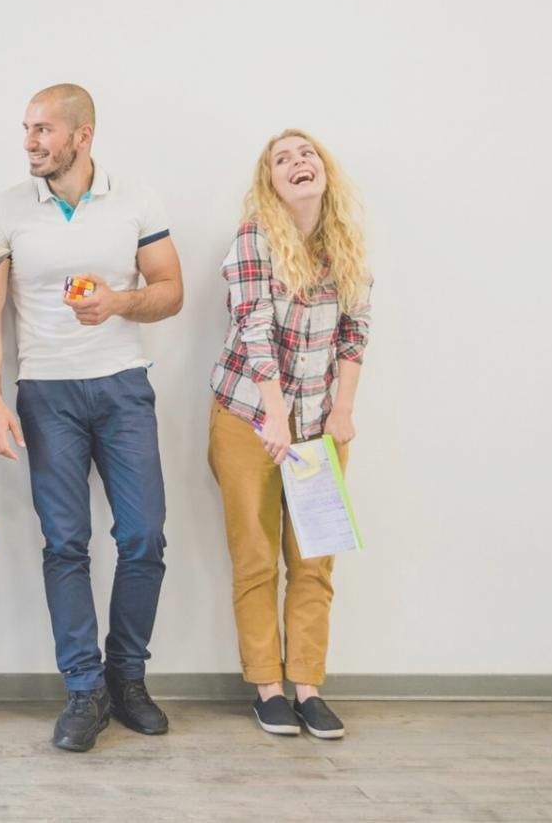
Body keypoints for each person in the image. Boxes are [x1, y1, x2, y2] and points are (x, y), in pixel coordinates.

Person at [0, 83, 183, 752]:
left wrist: (118, 302)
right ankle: (84, 689)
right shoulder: (6, 209)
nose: (29, 142)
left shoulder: (135, 198)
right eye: (26, 129)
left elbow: (170, 290)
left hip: (122, 388)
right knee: (65, 542)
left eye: (43, 130)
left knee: (143, 536)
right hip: (46, 393)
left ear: (82, 136)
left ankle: (127, 676)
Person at [206, 129, 372, 740]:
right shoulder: (254, 238)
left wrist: (342, 411)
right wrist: (274, 416)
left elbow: (355, 329)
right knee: (256, 558)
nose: (298, 162)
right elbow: (254, 328)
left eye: (307, 154)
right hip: (248, 415)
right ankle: (268, 688)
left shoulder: (345, 242)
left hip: (319, 422)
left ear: (323, 169)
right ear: (271, 182)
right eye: (283, 159)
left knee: (314, 559)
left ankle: (308, 687)